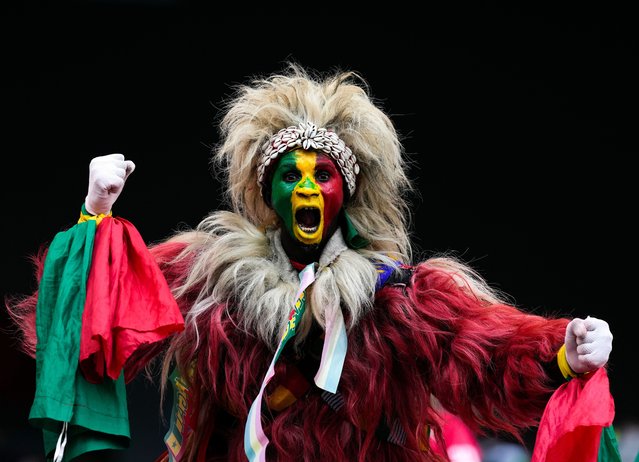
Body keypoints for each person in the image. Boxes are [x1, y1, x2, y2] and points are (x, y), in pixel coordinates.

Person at [8, 63, 617, 462]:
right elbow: (104, 317)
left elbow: (482, 350)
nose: (305, 190)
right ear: (265, 190)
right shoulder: (212, 278)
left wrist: (561, 351)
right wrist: (95, 216)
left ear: (345, 191)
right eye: (289, 176)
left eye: (321, 175)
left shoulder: (400, 296)